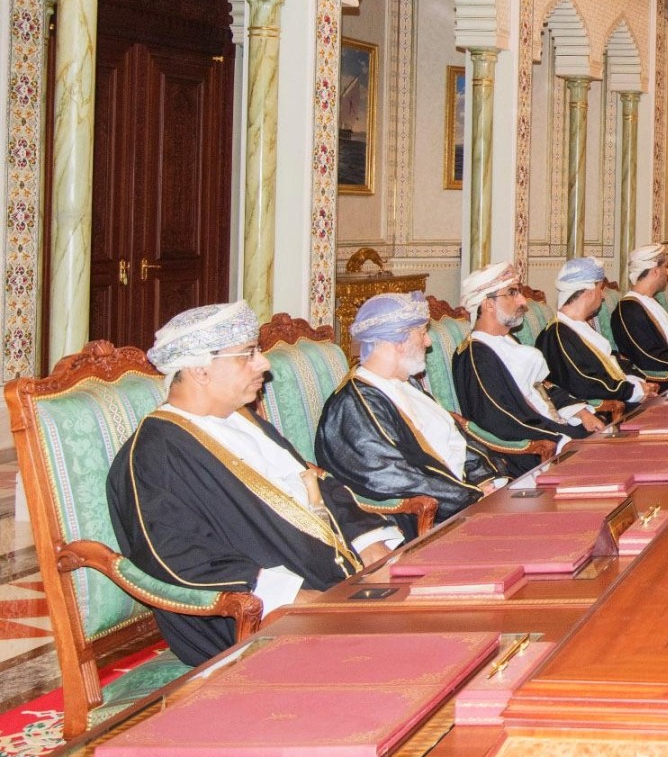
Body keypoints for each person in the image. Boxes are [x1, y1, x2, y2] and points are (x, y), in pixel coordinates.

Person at [109, 301, 404, 665]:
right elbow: (176, 558)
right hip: (251, 619)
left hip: (334, 584)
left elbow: (313, 484)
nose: (263, 363)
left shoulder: (241, 419)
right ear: (200, 369)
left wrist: (369, 543)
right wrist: (289, 596)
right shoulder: (155, 453)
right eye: (247, 354)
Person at [316, 292, 518, 530]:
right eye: (422, 334)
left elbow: (454, 438)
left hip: (465, 498)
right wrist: (471, 495)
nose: (428, 342)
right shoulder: (352, 405)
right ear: (397, 342)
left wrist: (485, 479)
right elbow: (392, 477)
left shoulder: (407, 383)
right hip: (419, 519)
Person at [455, 261, 607, 449]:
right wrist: (561, 438)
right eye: (512, 293)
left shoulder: (508, 340)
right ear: (488, 304)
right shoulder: (475, 356)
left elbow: (541, 387)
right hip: (531, 449)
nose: (523, 301)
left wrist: (581, 413)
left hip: (554, 430)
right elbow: (501, 420)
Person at [537, 257, 650, 410]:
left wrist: (637, 381)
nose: (603, 296)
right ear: (589, 292)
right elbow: (583, 383)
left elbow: (611, 360)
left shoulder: (579, 326)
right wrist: (631, 391)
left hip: (624, 398)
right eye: (600, 289)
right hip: (601, 412)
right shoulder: (557, 335)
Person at [611, 244, 668, 376]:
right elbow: (646, 356)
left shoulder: (650, 302)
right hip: (664, 381)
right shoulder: (628, 310)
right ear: (655, 271)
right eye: (665, 267)